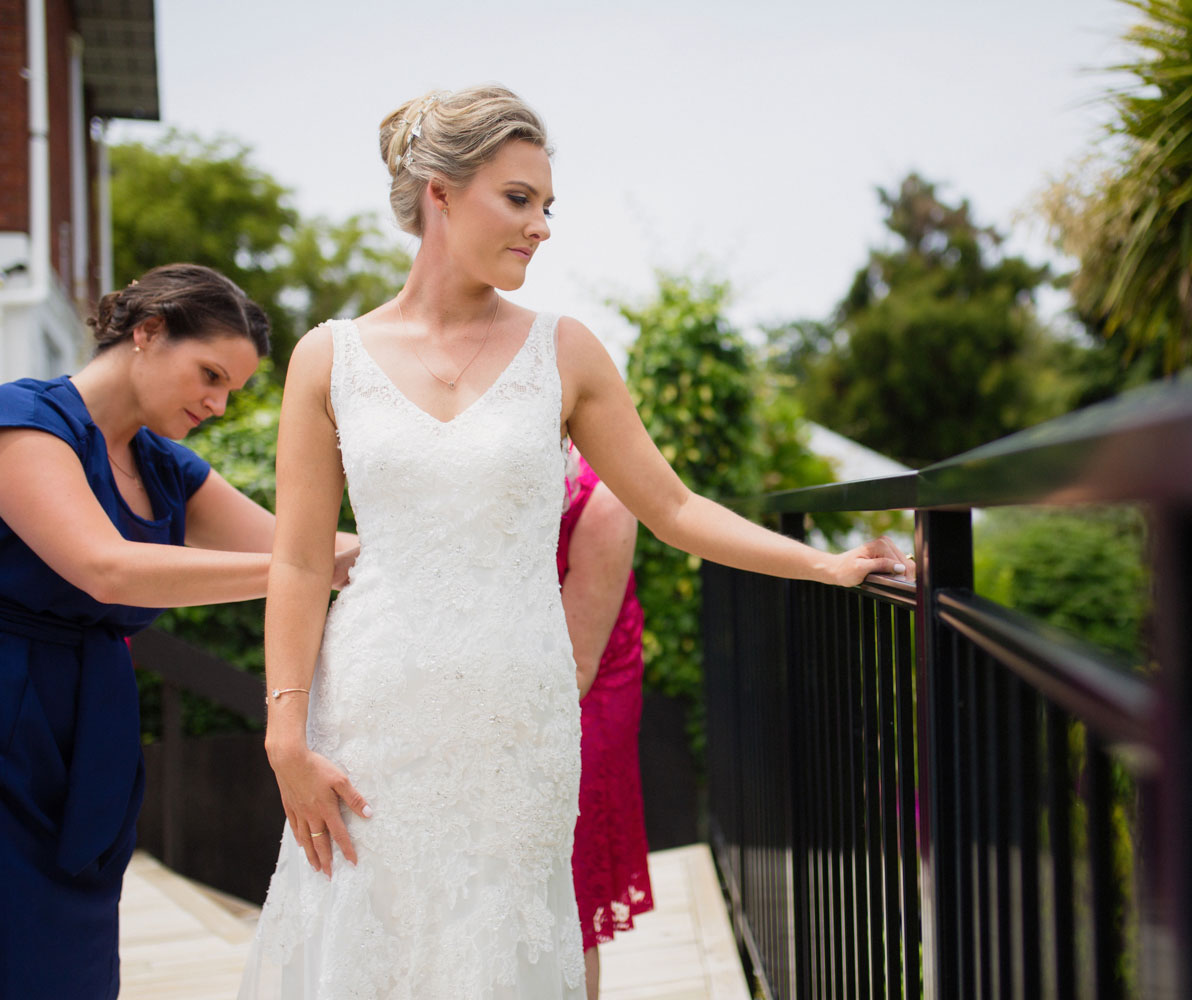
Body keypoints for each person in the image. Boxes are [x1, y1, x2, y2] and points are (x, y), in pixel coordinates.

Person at [240, 84, 909, 1000]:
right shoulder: (329, 358)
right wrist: (285, 736)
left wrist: (824, 563)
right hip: (367, 716)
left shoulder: (567, 351)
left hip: (518, 722)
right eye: (519, 199)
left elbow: (673, 507)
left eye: (548, 205)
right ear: (439, 192)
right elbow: (301, 560)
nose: (543, 225)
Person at [0, 263, 356, 998]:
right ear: (148, 331)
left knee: (73, 957)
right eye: (210, 375)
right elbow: (108, 570)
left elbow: (307, 546)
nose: (219, 404)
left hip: (90, 730)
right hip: (8, 707)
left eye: (231, 390)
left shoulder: (166, 468)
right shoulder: (22, 421)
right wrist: (299, 563)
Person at [559, 447, 653, 1000]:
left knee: (567, 867)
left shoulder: (604, 496)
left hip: (588, 676)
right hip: (513, 663)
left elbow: (576, 666)